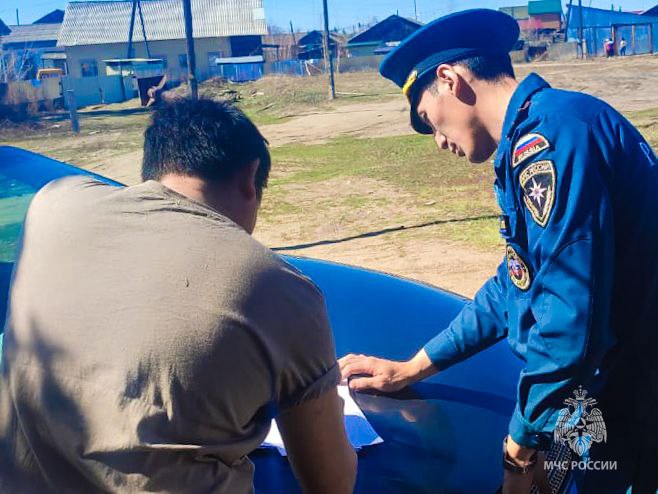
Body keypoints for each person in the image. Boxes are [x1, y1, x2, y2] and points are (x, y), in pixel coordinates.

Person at [339, 9, 658, 494]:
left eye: (428, 120)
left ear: (450, 80)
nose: (439, 141)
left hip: (634, 402)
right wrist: (412, 367)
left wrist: (519, 450)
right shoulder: (545, 130)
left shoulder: (551, 142)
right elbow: (516, 282)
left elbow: (569, 322)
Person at [0, 98, 357, 493]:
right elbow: (331, 483)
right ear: (250, 176)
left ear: (154, 165)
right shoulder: (281, 287)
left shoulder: (52, 203)